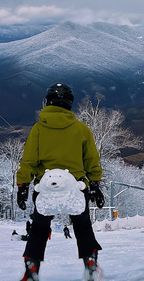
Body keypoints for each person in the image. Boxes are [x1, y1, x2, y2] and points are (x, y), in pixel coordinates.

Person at [16, 83, 105, 281]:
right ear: (69, 104)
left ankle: (31, 268)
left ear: (48, 101)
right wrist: (96, 184)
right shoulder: (82, 129)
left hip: (45, 187)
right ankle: (90, 261)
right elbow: (92, 160)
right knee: (82, 226)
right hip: (76, 186)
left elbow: (28, 161)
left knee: (39, 228)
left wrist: (22, 186)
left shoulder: (38, 129)